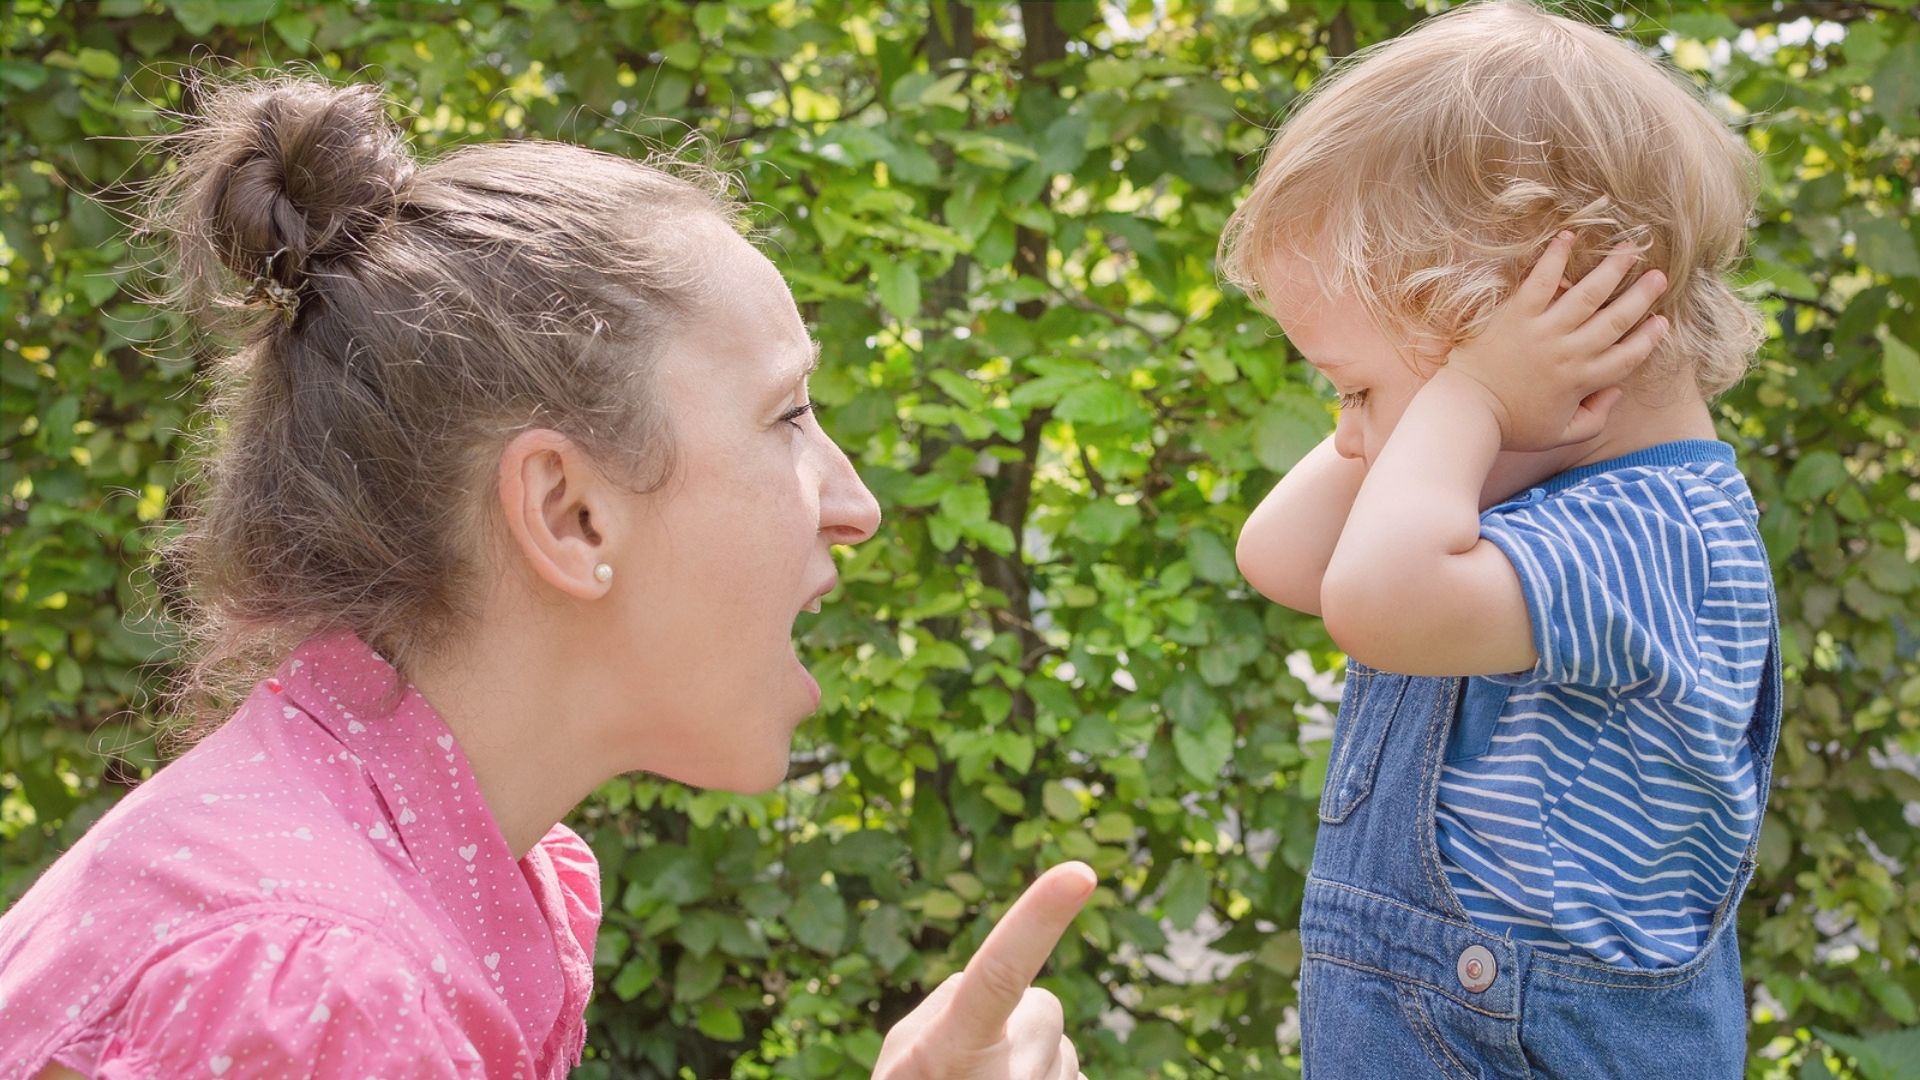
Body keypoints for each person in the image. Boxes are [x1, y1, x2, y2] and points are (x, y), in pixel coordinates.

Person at [0, 74, 1094, 1080]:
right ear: (568, 515)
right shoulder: (326, 991)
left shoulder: (346, 883)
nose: (858, 509)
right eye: (789, 416)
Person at [1219, 1, 1779, 1075]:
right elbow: (1280, 560)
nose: (1352, 434)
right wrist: (1429, 395)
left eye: (1359, 390)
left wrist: (1467, 394)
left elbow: (1373, 603)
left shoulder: (1656, 534)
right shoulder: (1509, 503)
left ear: (1556, 326)